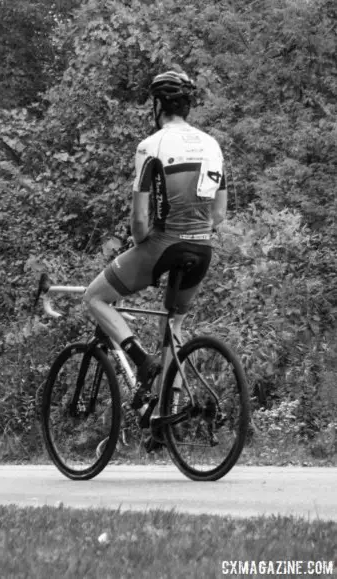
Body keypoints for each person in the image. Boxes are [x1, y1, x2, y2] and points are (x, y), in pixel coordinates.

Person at [82, 69, 228, 450]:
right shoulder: (212, 145)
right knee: (175, 326)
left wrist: (144, 245)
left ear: (158, 105)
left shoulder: (152, 146)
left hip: (164, 243)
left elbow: (140, 221)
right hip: (203, 248)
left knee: (95, 298)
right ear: (188, 105)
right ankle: (168, 414)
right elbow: (219, 215)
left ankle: (140, 359)